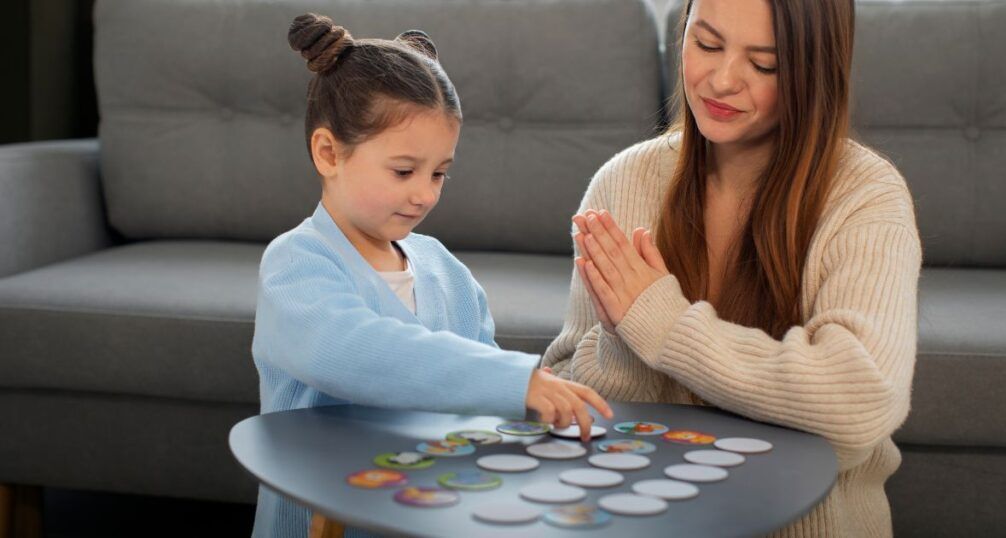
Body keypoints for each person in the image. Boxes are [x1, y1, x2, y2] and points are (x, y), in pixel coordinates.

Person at [542, 1, 922, 536]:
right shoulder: (624, 182)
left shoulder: (864, 195)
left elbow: (860, 401)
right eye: (708, 44)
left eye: (765, 64)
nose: (721, 81)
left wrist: (660, 323)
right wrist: (621, 342)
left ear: (814, 71)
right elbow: (559, 397)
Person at [253, 13, 613, 538]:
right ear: (329, 153)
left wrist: (535, 407)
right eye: (404, 171)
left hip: (430, 514)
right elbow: (358, 352)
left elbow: (480, 384)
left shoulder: (444, 269)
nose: (425, 193)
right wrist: (515, 380)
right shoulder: (296, 265)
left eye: (439, 173)